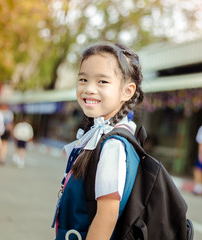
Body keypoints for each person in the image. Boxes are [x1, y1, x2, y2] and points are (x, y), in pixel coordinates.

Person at [52, 42, 144, 240]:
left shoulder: (113, 145)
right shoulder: (102, 136)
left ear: (127, 91)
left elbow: (107, 215)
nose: (89, 89)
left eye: (102, 82)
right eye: (83, 79)